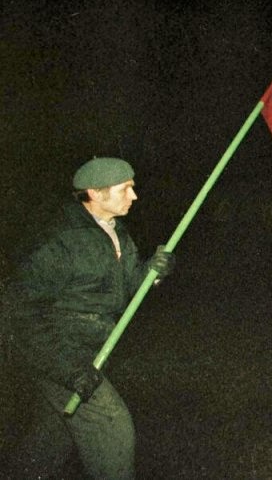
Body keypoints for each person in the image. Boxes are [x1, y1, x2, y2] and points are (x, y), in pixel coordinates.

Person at [3, 157, 174, 479]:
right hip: (61, 355)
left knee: (52, 439)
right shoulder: (59, 241)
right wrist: (68, 369)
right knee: (112, 427)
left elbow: (123, 291)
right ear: (95, 193)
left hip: (93, 352)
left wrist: (152, 273)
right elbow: (20, 311)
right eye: (125, 189)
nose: (134, 196)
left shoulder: (115, 231)